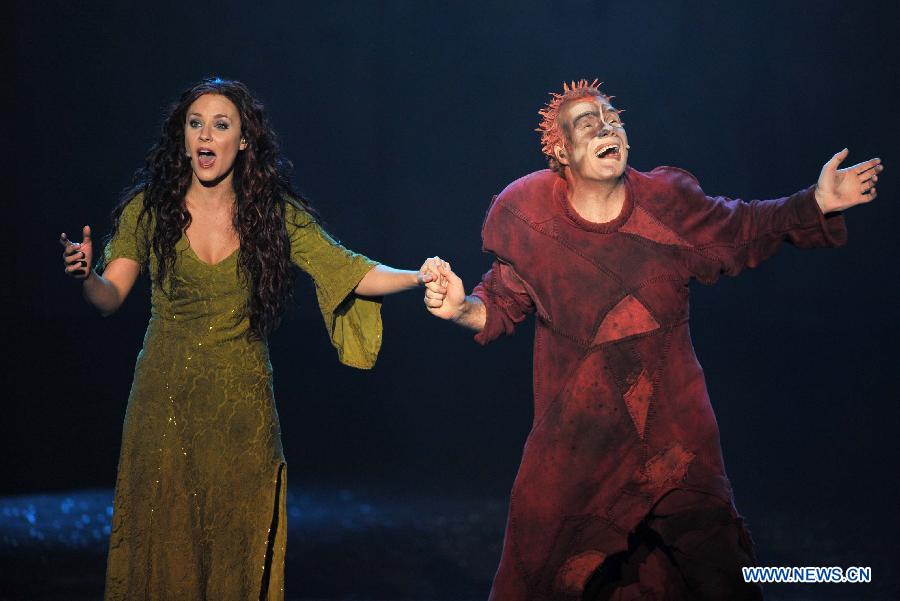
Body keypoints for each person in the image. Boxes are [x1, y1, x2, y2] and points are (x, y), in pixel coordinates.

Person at [424, 79, 882, 600]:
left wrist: (815, 202)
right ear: (561, 151)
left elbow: (743, 227)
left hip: (675, 438)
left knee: (722, 575)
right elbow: (500, 302)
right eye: (587, 123)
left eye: (612, 117)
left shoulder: (667, 202)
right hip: (576, 445)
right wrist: (460, 308)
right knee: (539, 576)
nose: (606, 126)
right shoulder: (529, 215)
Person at [59, 77, 446, 601]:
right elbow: (110, 297)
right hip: (164, 401)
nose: (206, 135)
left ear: (243, 141)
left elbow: (347, 269)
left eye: (221, 125)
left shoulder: (274, 211)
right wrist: (87, 277)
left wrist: (417, 275)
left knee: (237, 541)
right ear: (183, 136)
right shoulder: (149, 209)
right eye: (196, 123)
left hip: (243, 408)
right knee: (164, 540)